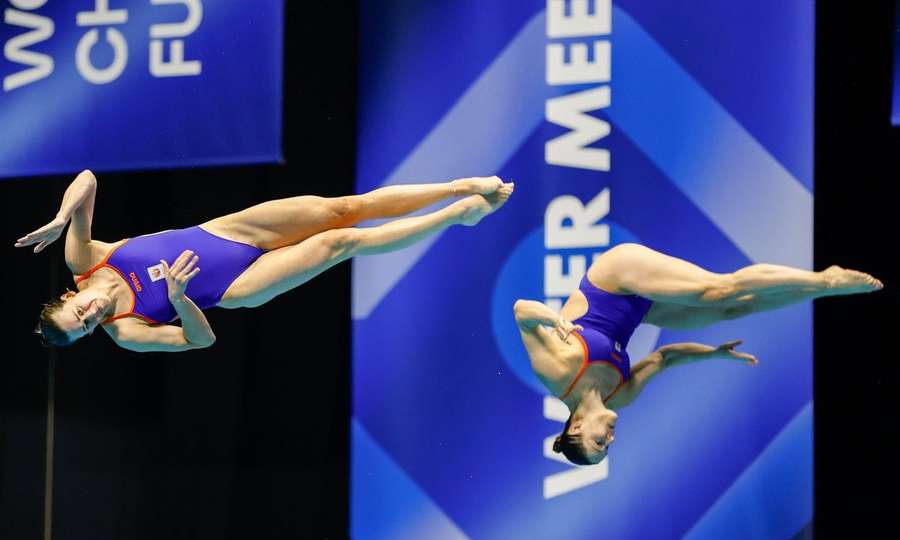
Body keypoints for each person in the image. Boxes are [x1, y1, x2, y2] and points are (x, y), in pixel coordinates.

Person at [18, 170, 514, 352]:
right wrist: (177, 298)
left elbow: (86, 180)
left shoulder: (83, 257)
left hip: (227, 231)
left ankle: (459, 185)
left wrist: (64, 217)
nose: (93, 318)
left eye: (80, 313)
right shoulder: (127, 332)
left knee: (344, 208)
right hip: (237, 287)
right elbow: (201, 339)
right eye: (87, 329)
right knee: (340, 243)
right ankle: (455, 216)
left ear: (71, 294)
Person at [513, 243, 883, 465]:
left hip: (613, 278)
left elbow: (520, 312)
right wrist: (713, 354)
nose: (609, 439)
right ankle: (821, 291)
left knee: (719, 290)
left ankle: (826, 279)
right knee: (733, 309)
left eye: (599, 442)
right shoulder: (620, 396)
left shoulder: (559, 372)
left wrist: (550, 316)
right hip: (639, 308)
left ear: (575, 427)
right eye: (608, 447)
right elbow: (666, 358)